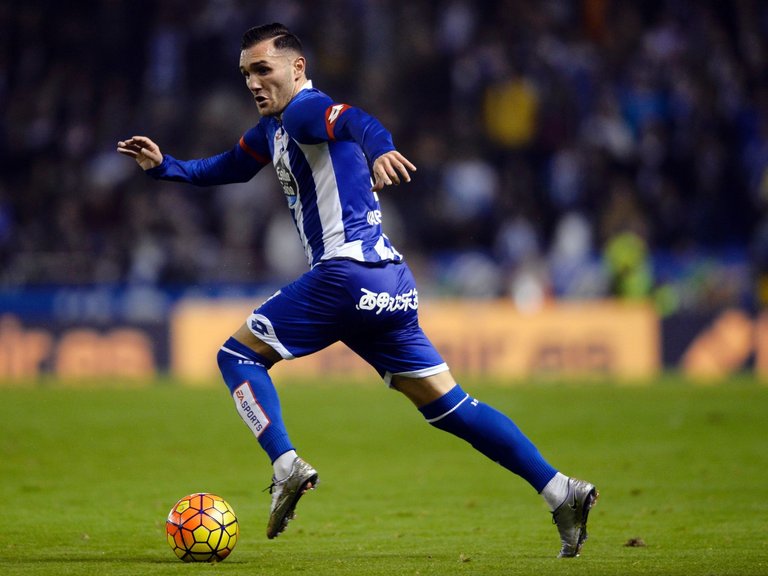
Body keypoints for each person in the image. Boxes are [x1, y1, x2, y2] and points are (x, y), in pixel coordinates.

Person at [117, 22, 598, 557]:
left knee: (237, 356)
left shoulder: (303, 108)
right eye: (246, 73)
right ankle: (562, 491)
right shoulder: (271, 130)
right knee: (452, 407)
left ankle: (285, 464)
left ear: (296, 69)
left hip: (344, 276)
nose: (253, 82)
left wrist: (382, 148)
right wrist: (167, 168)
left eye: (263, 69)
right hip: (388, 282)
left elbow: (353, 120)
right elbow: (227, 168)